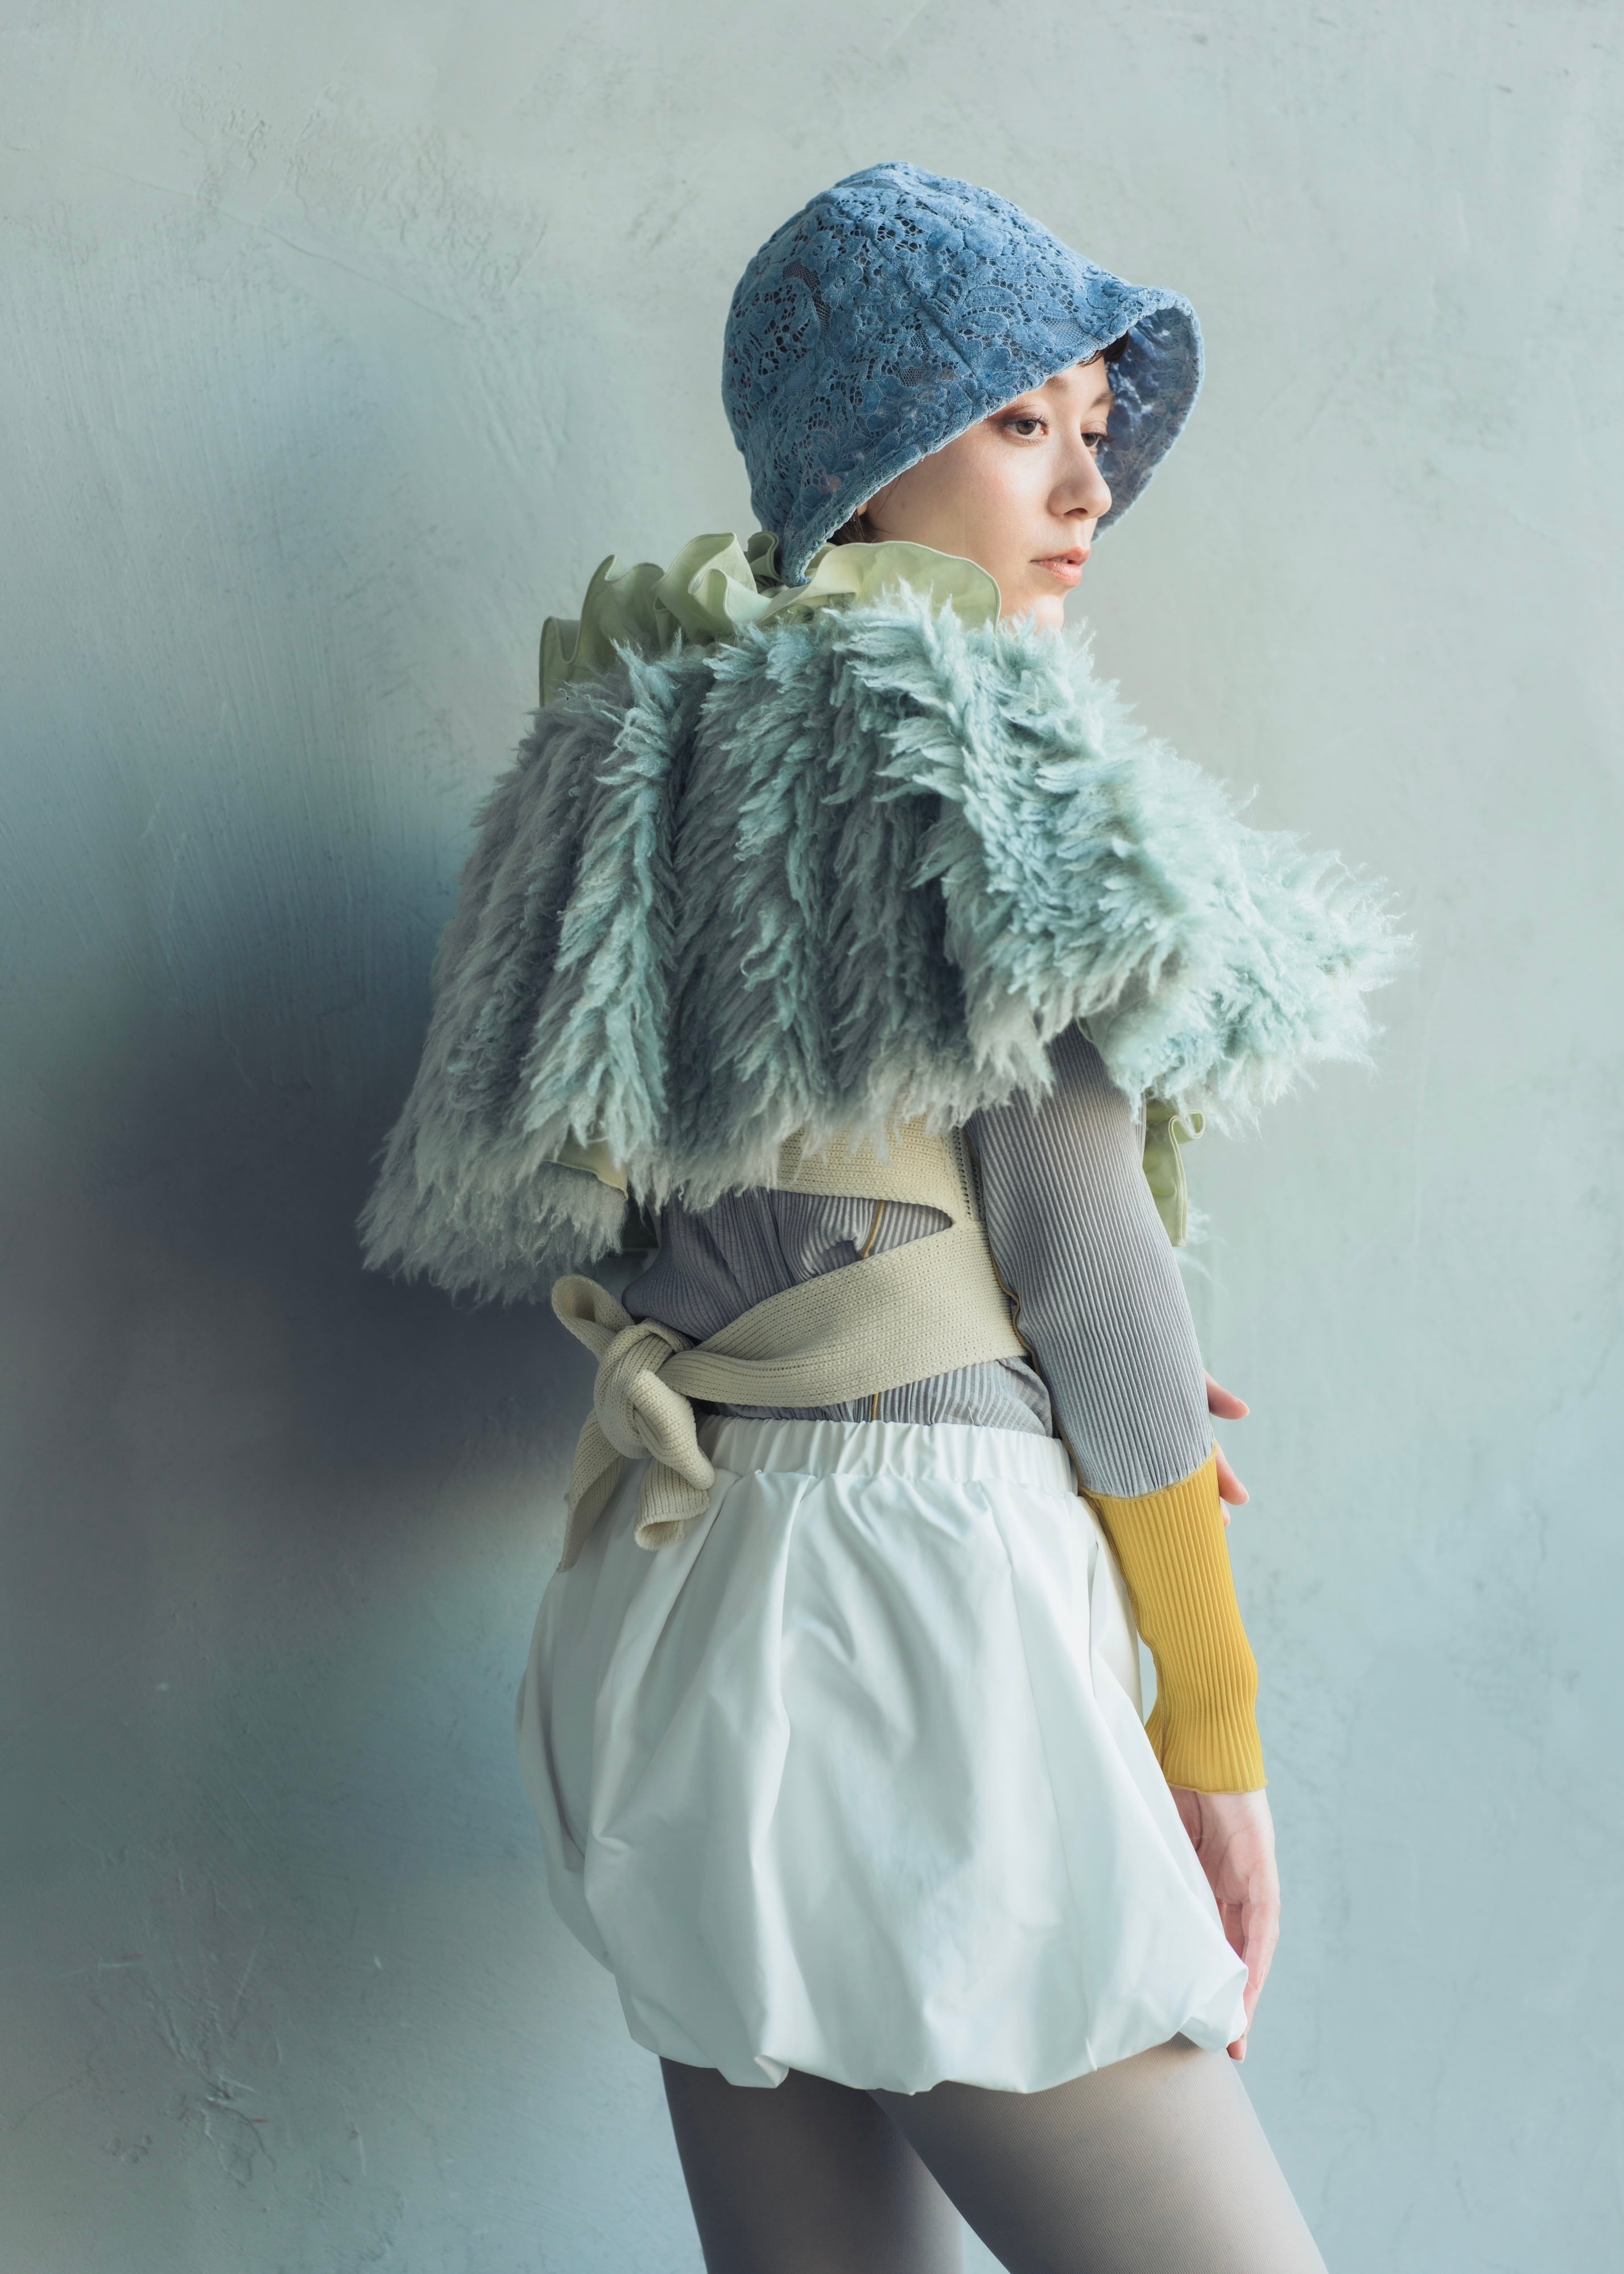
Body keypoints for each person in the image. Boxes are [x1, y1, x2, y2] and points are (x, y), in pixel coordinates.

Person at [361, 163, 1400, 2273]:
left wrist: (957, 1337)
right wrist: (1212, 1734)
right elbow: (1088, 1269)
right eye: (1020, 424)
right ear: (865, 451)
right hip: (922, 1619)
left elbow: (735, 1238)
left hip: (681, 1610)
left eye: (1092, 431)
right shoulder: (978, 757)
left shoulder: (629, 761)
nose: (1085, 492)